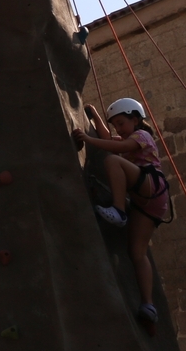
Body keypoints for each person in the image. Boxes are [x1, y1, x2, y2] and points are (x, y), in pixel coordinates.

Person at [73, 97, 170, 324]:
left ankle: (119, 210)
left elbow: (118, 148)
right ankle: (148, 305)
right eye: (115, 125)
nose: (119, 129)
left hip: (150, 185)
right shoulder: (128, 136)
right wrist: (95, 115)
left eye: (121, 123)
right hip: (150, 202)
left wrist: (88, 139)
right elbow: (109, 138)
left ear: (135, 119)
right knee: (137, 252)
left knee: (112, 161)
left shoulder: (141, 136)